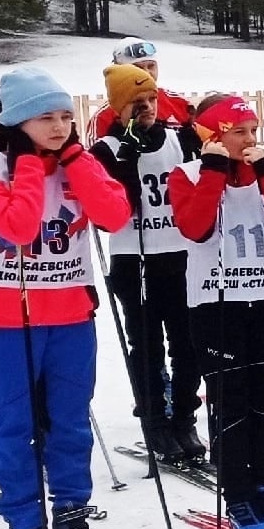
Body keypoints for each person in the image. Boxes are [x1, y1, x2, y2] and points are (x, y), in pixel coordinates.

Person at [0, 66, 133, 529]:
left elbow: (115, 216)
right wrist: (29, 166)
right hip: (9, 317)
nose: (58, 126)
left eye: (67, 116)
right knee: (16, 423)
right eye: (45, 117)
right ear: (17, 123)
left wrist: (76, 160)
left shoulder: (78, 162)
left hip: (71, 311)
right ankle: (25, 521)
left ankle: (71, 511)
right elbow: (20, 226)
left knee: (70, 422)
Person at [170, 93, 264, 529]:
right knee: (230, 400)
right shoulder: (188, 174)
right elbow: (196, 227)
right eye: (239, 132)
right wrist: (213, 171)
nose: (251, 140)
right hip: (216, 304)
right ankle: (238, 491)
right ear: (212, 136)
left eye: (253, 131)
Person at [91, 62, 205, 467]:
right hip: (135, 260)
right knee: (147, 348)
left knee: (189, 343)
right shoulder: (107, 149)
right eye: (136, 102)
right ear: (119, 108)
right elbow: (111, 212)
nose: (147, 108)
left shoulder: (178, 141)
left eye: (151, 99)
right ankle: (154, 420)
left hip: (180, 256)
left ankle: (184, 416)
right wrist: (128, 156)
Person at [90, 38, 192, 138]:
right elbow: (94, 154)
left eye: (151, 66)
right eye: (138, 68)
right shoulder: (103, 117)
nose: (147, 73)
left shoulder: (179, 103)